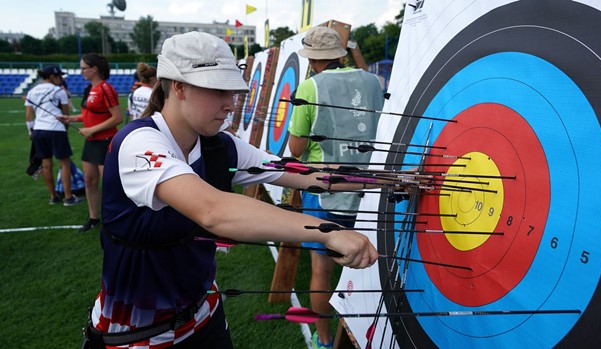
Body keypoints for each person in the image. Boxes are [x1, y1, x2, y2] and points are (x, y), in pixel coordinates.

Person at [80, 31, 379, 349]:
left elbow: (299, 173)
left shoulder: (218, 145)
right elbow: (214, 211)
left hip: (205, 314)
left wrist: (385, 179)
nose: (230, 104)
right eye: (218, 91)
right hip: (138, 334)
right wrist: (326, 231)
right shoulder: (138, 142)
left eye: (232, 92)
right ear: (179, 87)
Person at [288, 26, 385, 349]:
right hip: (370, 191)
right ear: (340, 54)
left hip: (325, 193)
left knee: (322, 271)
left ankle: (325, 340)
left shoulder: (309, 87)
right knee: (371, 262)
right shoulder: (372, 81)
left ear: (313, 59)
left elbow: (296, 149)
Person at [58, 53, 123, 232]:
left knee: (109, 183)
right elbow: (90, 116)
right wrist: (71, 118)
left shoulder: (105, 88)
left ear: (94, 69)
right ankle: (94, 218)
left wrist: (93, 130)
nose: (81, 72)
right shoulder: (89, 89)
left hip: (105, 141)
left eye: (84, 68)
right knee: (89, 180)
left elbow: (117, 117)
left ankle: (115, 218)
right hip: (92, 141)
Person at [24, 65, 83, 206]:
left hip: (38, 130)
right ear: (51, 77)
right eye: (59, 77)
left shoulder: (32, 91)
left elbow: (28, 115)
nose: (61, 79)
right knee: (64, 163)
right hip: (56, 129)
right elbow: (65, 114)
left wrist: (30, 132)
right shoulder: (59, 91)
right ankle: (68, 197)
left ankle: (53, 196)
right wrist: (65, 130)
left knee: (46, 164)